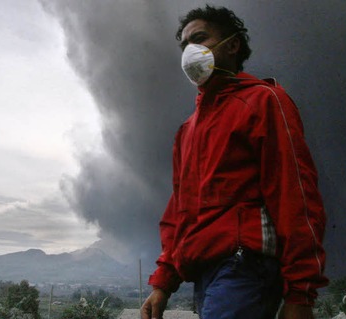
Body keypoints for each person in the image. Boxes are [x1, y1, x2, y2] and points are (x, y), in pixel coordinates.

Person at [140, 4, 328, 319]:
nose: (190, 50)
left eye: (199, 38)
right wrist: (163, 284)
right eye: (185, 45)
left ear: (232, 44)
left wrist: (301, 293)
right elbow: (181, 212)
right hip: (206, 273)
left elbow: (294, 194)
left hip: (245, 266)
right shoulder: (188, 129)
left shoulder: (263, 101)